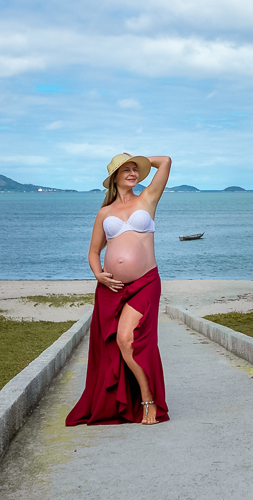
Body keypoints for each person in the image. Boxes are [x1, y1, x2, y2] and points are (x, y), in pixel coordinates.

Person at [66, 153, 172, 426]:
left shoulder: (148, 198)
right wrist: (98, 275)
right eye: (126, 170)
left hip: (146, 282)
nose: (133, 173)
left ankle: (148, 401)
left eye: (135, 169)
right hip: (112, 288)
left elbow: (166, 161)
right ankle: (130, 400)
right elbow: (93, 251)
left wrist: (136, 157)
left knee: (128, 339)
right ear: (115, 177)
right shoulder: (105, 213)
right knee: (116, 345)